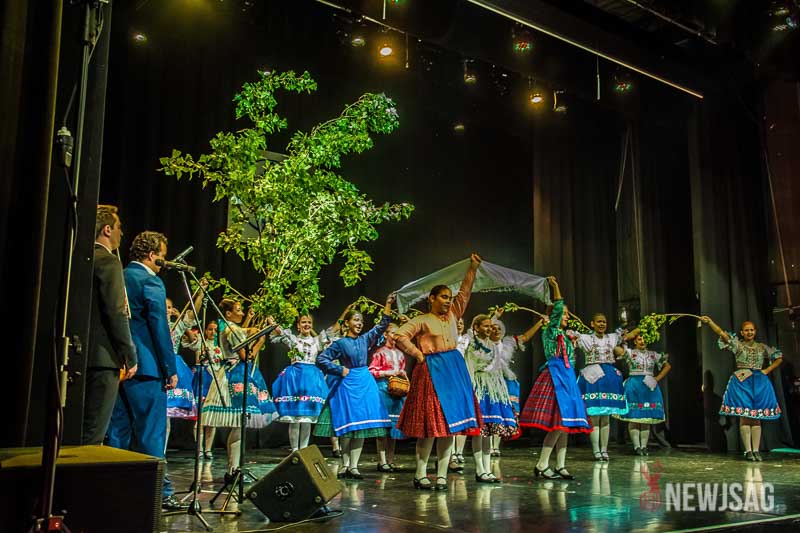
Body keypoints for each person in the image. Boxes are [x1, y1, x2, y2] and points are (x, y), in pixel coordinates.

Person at [395, 254, 483, 491]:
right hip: (432, 370)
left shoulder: (453, 314)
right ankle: (420, 473)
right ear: (432, 298)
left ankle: (442, 475)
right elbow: (399, 335)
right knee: (430, 427)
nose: (448, 301)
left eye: (449, 298)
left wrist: (472, 268)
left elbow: (465, 292)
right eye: (444, 297)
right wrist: (417, 354)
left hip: (453, 369)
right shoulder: (422, 319)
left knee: (450, 425)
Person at [106, 231, 181, 510]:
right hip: (147, 367)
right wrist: (169, 367)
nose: (163, 262)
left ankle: (114, 489)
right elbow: (159, 326)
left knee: (118, 432)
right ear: (152, 256)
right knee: (151, 432)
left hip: (118, 365)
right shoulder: (151, 281)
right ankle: (159, 492)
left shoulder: (119, 276)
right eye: (162, 256)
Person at [519, 277, 591, 480]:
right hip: (556, 377)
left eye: (566, 314)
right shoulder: (550, 330)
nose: (567, 316)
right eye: (564, 314)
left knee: (565, 424)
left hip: (567, 377)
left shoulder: (565, 335)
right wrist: (556, 287)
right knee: (558, 423)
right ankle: (542, 463)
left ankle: (560, 464)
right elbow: (557, 307)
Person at [316, 295, 396, 479]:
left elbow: (382, 325)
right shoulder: (340, 343)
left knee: (361, 426)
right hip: (347, 384)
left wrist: (388, 304)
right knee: (347, 426)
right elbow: (321, 359)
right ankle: (345, 465)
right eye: (356, 320)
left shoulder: (365, 339)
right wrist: (339, 369)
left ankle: (354, 466)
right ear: (347, 323)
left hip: (364, 384)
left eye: (361, 321)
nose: (359, 323)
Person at [82, 205, 137, 445]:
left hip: (78, 355)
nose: (121, 233)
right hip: (103, 359)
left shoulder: (78, 260)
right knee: (92, 434)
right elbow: (116, 312)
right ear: (107, 229)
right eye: (118, 227)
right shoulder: (108, 262)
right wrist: (129, 354)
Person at [202, 299, 274, 479]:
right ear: (228, 313)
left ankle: (234, 468)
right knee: (239, 424)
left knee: (239, 425)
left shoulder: (228, 328)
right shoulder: (231, 330)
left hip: (231, 371)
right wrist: (260, 342)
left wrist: (255, 328)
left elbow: (245, 332)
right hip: (235, 375)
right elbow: (246, 356)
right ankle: (233, 469)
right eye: (239, 310)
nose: (242, 313)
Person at [701, 316, 783, 461]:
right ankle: (748, 451)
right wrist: (710, 322)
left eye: (751, 330)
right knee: (745, 416)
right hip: (742, 382)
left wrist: (766, 370)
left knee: (756, 417)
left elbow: (778, 358)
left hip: (758, 383)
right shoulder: (738, 345)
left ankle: (756, 450)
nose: (749, 332)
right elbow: (721, 333)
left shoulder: (762, 347)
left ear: (755, 331)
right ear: (742, 332)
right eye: (746, 330)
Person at [572, 313, 638, 461]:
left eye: (604, 322)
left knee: (606, 417)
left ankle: (604, 450)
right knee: (595, 417)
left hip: (608, 378)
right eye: (599, 322)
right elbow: (571, 338)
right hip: (593, 377)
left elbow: (630, 335)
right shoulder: (586, 338)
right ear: (592, 324)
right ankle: (596, 450)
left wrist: (646, 324)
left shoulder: (612, 337)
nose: (602, 324)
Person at [268, 313, 333, 452]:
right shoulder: (293, 340)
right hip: (295, 379)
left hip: (311, 380)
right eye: (303, 322)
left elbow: (332, 333)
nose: (306, 325)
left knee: (306, 418)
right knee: (295, 418)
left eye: (309, 322)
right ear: (298, 325)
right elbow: (279, 331)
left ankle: (303, 450)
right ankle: (294, 450)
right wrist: (272, 321)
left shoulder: (316, 341)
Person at [613, 335, 671, 455]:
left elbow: (667, 366)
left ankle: (644, 446)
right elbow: (616, 349)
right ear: (635, 341)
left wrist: (656, 378)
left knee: (646, 418)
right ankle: (636, 446)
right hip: (634, 385)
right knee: (634, 418)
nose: (642, 341)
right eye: (639, 339)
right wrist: (624, 337)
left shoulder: (653, 355)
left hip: (648, 386)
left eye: (644, 339)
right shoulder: (630, 353)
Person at [368, 322, 408, 471]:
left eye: (397, 334)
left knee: (394, 428)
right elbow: (372, 371)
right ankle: (382, 460)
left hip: (397, 391)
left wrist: (402, 373)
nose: (395, 337)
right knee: (383, 428)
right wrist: (388, 372)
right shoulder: (380, 353)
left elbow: (402, 369)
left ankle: (390, 459)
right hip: (383, 390)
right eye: (393, 333)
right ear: (385, 335)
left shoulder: (400, 354)